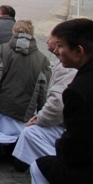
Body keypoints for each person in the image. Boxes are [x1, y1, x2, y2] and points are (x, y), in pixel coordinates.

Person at [0, 20, 51, 167]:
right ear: (32, 35)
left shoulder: (3, 50)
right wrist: (41, 113)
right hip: (23, 112)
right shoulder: (42, 59)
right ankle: (19, 154)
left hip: (0, 107)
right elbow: (43, 91)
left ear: (14, 32)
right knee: (19, 133)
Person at [34, 18, 93, 184]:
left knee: (38, 167)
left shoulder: (77, 91)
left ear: (79, 51)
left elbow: (75, 148)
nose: (57, 51)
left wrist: (60, 144)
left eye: (60, 46)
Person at [12, 34, 76, 172]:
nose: (47, 40)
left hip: (67, 128)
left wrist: (39, 118)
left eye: (59, 44)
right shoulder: (57, 63)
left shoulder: (69, 68)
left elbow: (57, 104)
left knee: (31, 132)